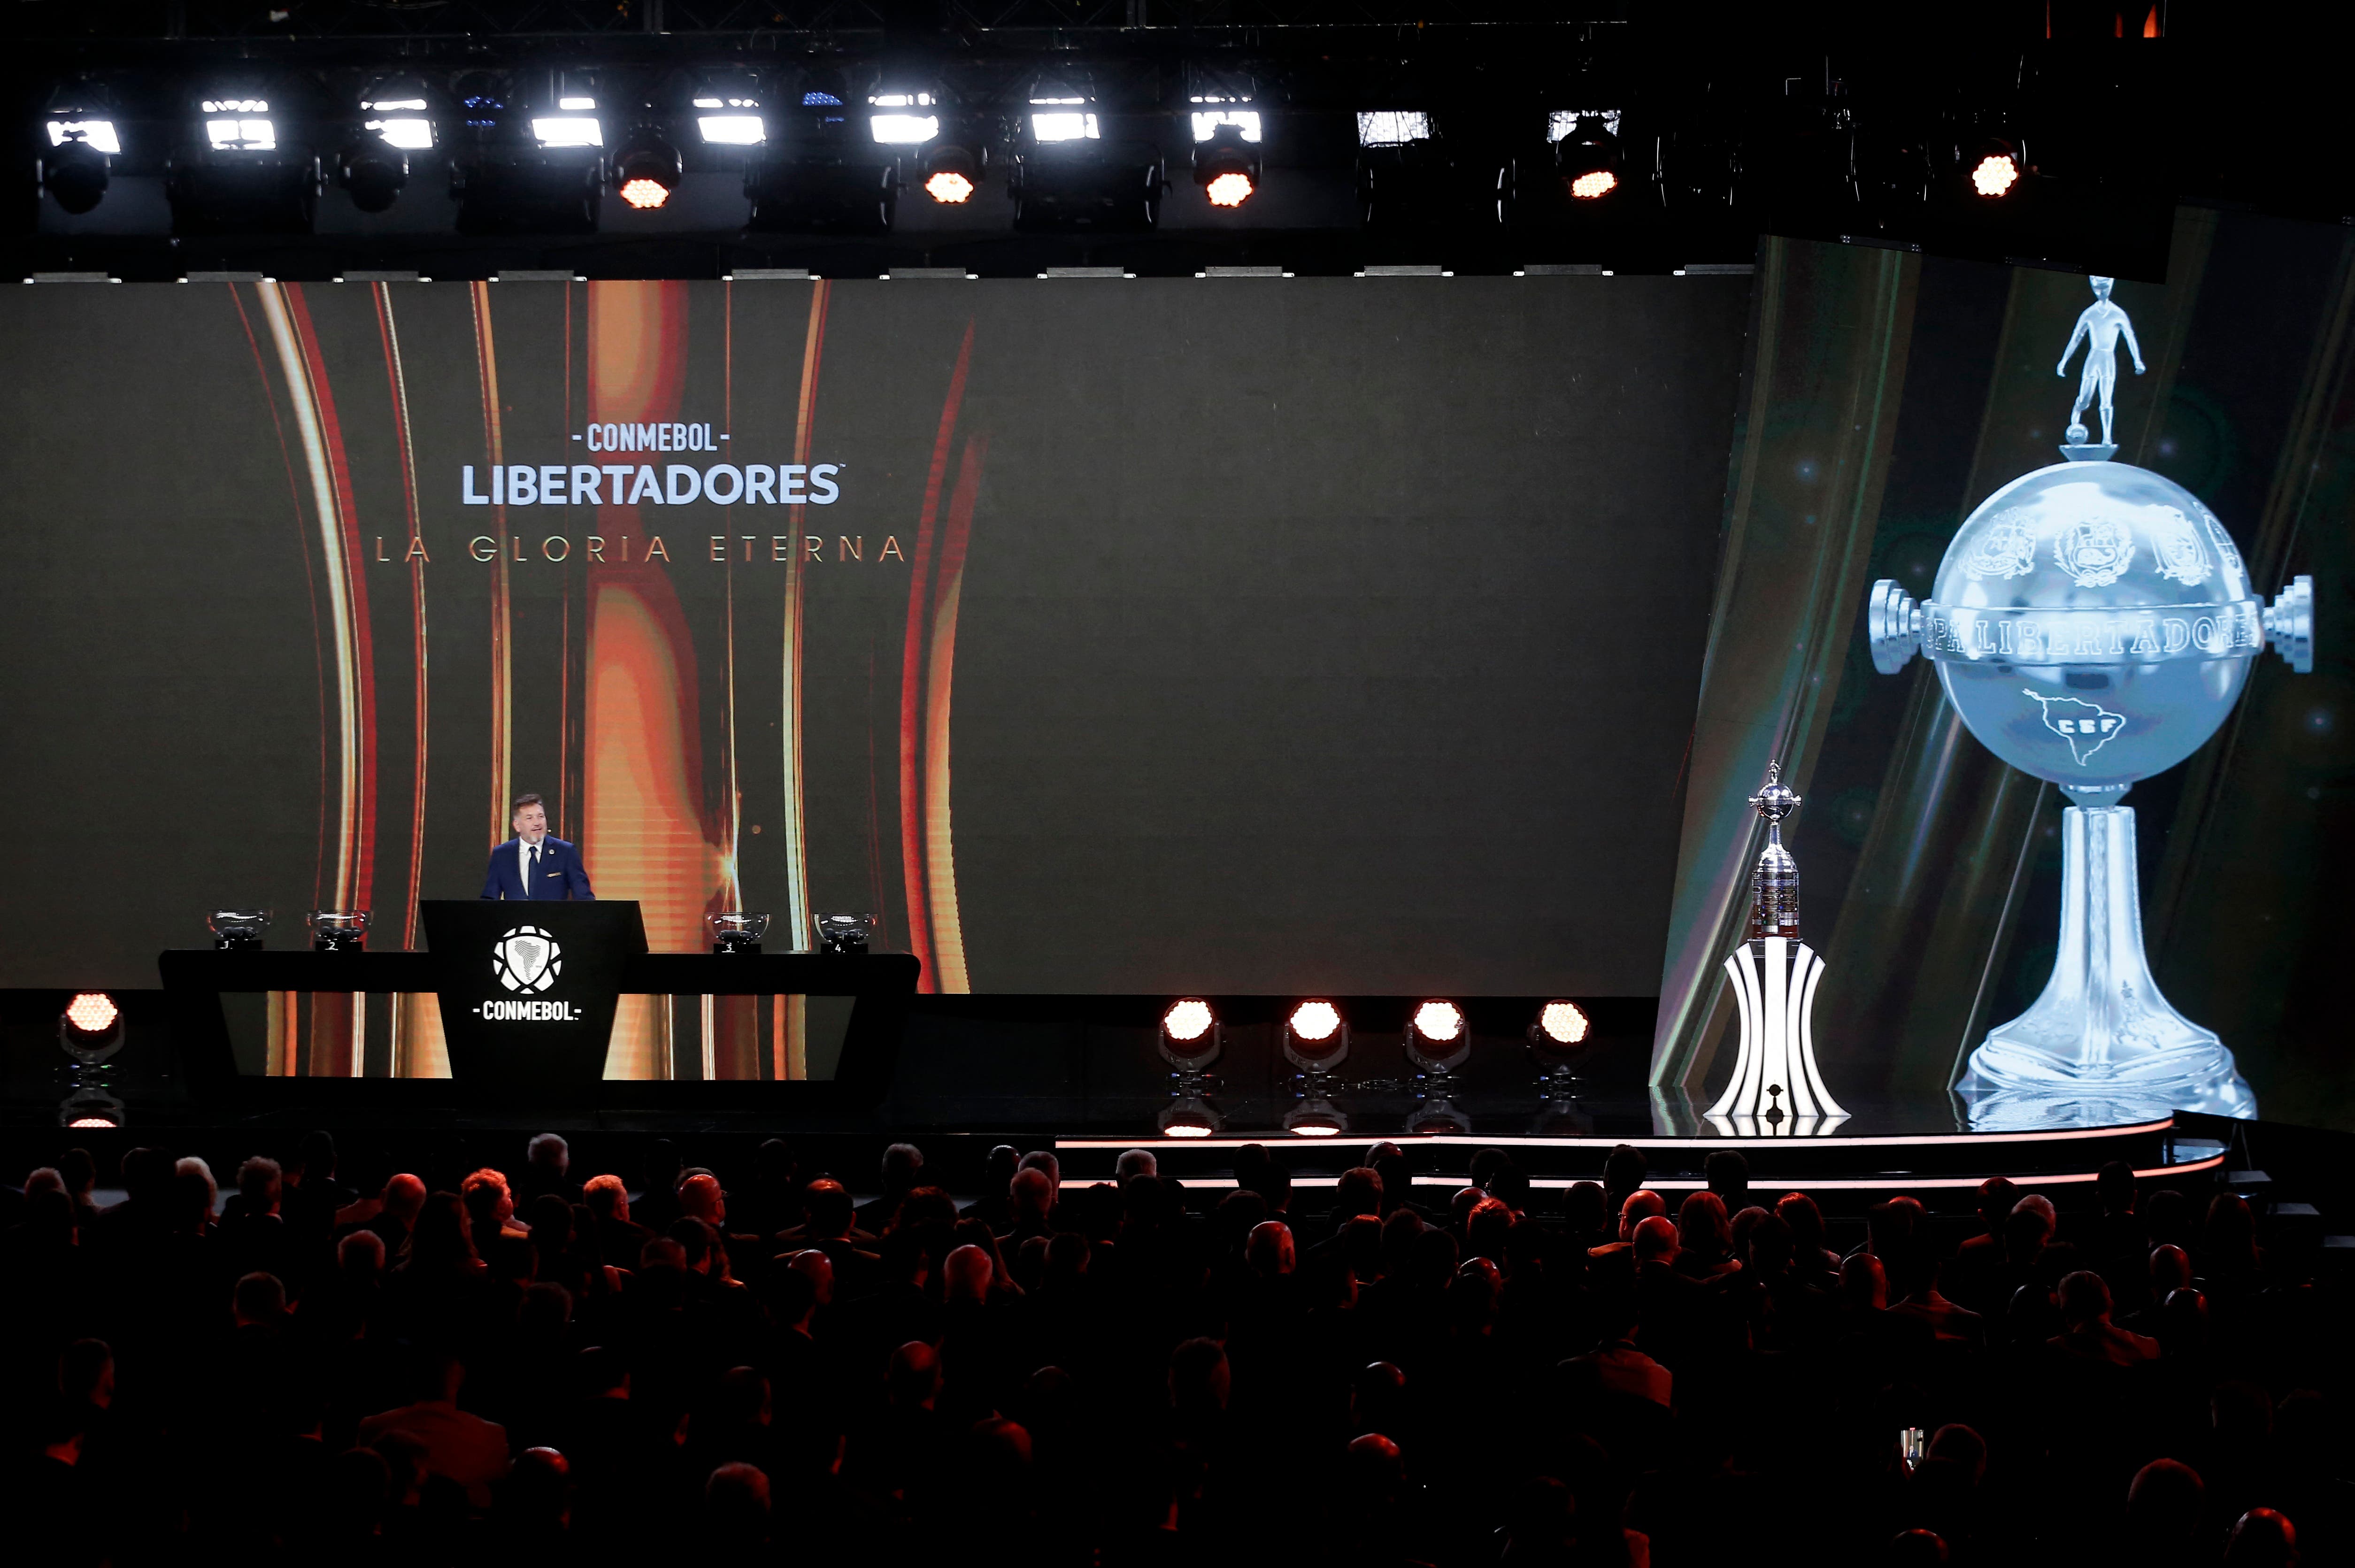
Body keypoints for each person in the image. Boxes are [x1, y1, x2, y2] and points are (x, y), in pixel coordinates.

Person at [479, 792, 593, 900]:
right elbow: (490, 898)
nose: (537, 823)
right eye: (530, 818)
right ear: (517, 826)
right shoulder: (502, 854)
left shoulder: (566, 852)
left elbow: (584, 898)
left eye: (541, 816)